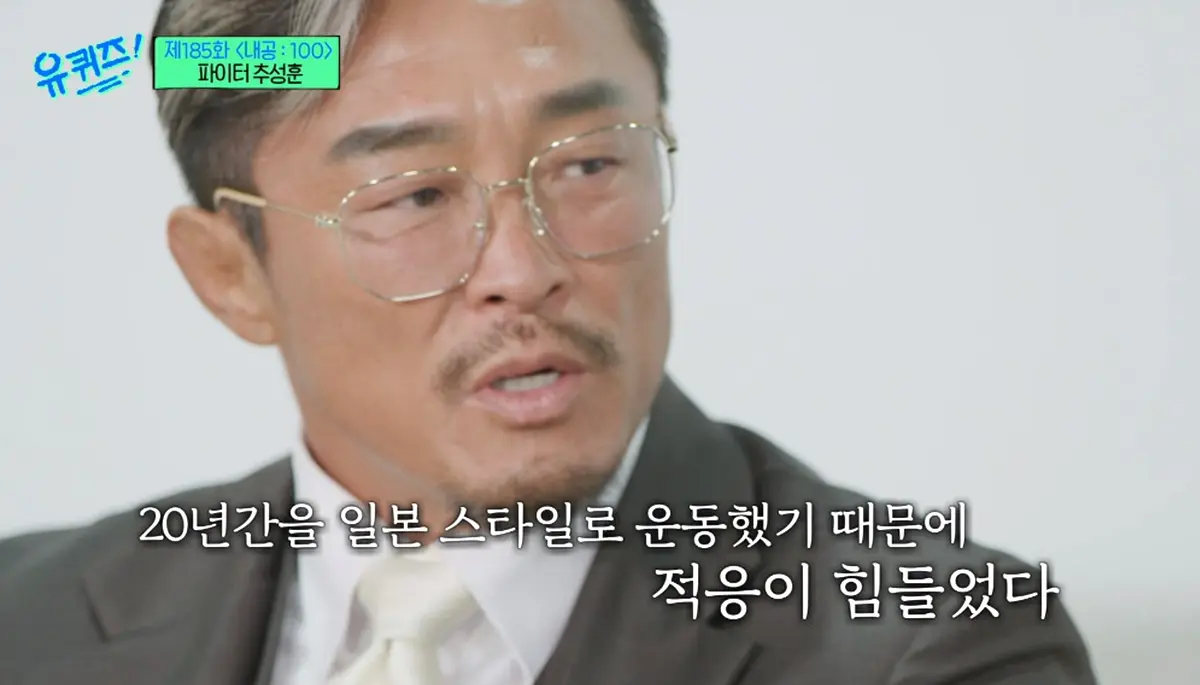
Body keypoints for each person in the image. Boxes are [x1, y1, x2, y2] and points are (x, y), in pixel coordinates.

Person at [0, 1, 1098, 683]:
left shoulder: (932, 646)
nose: (526, 269)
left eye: (589, 163)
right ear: (231, 275)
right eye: (415, 194)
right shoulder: (27, 620)